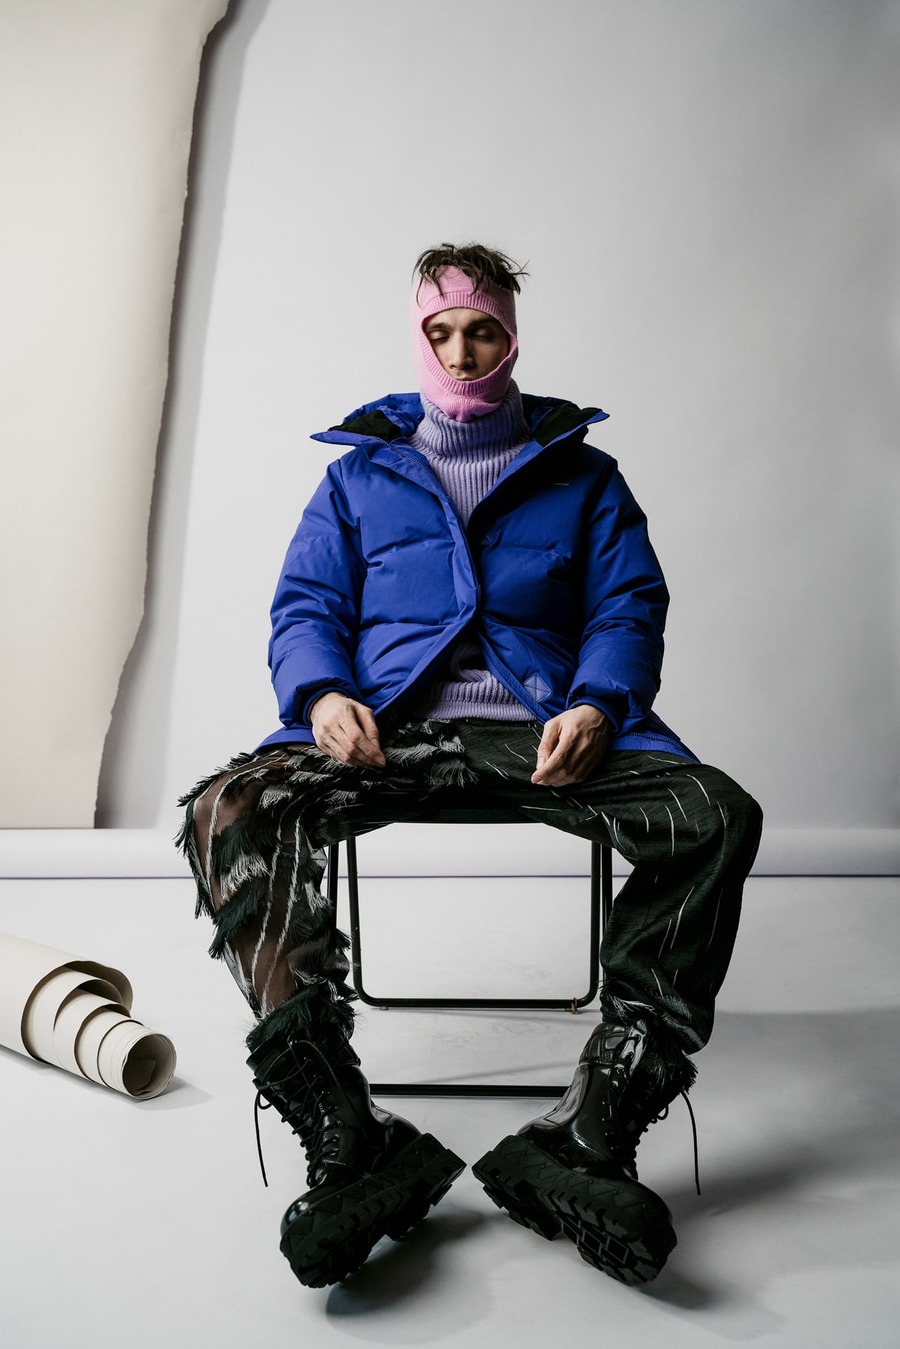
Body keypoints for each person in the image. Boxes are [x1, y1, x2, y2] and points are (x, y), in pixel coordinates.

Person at [179, 242, 762, 1290]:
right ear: (418, 338)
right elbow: (305, 609)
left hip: (544, 731)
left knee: (714, 813)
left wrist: (598, 702)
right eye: (441, 331)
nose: (461, 351)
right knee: (230, 809)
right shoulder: (357, 475)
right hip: (385, 731)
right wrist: (322, 696)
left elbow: (628, 606)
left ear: (512, 339)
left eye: (482, 330)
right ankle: (350, 1134)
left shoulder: (584, 475)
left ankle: (590, 1128)